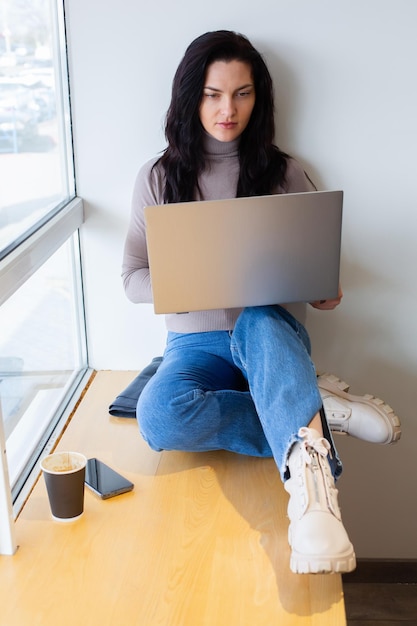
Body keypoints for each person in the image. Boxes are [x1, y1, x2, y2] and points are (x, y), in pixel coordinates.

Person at [121, 31, 399, 574]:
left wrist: (322, 288)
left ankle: (313, 497)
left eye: (242, 94)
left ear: (260, 97)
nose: (228, 109)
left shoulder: (284, 172)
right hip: (194, 345)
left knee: (262, 320)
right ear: (189, 97)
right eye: (213, 94)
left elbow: (318, 276)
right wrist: (192, 280)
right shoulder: (158, 176)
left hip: (268, 332)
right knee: (158, 417)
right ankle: (315, 415)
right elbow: (132, 277)